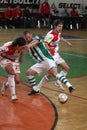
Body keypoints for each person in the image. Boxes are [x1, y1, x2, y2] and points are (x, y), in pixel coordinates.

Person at [23, 31, 75, 95]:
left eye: (29, 37)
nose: (28, 38)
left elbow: (36, 41)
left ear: (31, 35)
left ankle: (69, 86)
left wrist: (28, 46)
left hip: (47, 60)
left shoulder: (35, 38)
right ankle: (36, 89)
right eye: (26, 38)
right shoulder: (25, 45)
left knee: (54, 74)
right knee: (29, 73)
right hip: (40, 62)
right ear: (24, 37)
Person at [43, 19, 72, 91]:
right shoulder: (51, 35)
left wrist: (67, 42)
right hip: (50, 56)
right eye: (59, 26)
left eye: (62, 26)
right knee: (51, 74)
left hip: (56, 55)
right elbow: (45, 43)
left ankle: (58, 82)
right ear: (55, 26)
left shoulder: (58, 32)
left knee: (66, 68)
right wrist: (49, 48)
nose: (61, 28)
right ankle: (38, 87)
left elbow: (60, 37)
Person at [0, 37, 26, 102]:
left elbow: (20, 61)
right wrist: (3, 55)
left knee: (17, 81)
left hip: (14, 61)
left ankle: (5, 85)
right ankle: (13, 95)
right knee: (11, 73)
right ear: (17, 45)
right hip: (4, 60)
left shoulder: (21, 49)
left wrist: (22, 53)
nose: (23, 48)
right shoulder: (7, 46)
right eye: (22, 47)